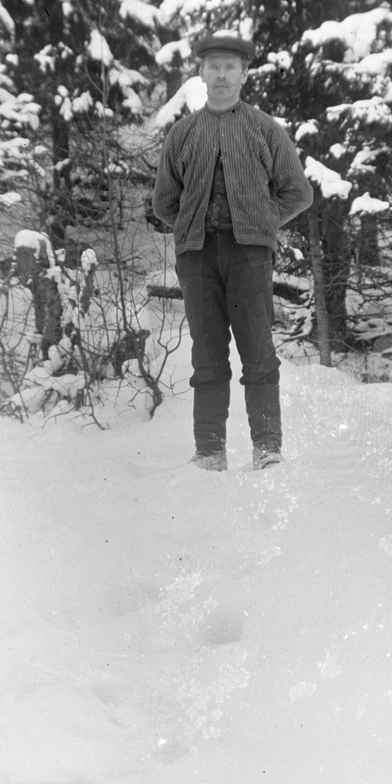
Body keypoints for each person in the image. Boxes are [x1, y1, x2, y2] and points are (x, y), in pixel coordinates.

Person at [152, 32, 313, 471]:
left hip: (249, 256)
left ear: (244, 74)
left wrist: (259, 221)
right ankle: (210, 452)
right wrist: (193, 226)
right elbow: (164, 202)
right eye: (213, 66)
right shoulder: (183, 134)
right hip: (197, 257)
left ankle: (267, 449)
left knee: (258, 354)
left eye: (230, 66)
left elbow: (297, 192)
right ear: (201, 73)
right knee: (206, 358)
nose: (221, 74)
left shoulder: (264, 129)